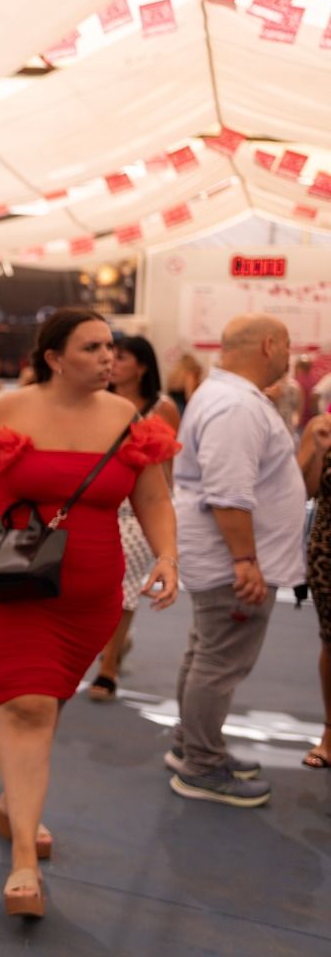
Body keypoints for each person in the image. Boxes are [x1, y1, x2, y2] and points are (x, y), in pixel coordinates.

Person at [0, 307, 179, 918]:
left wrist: (168, 554)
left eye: (110, 347)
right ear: (54, 357)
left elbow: (153, 495)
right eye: (92, 348)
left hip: (89, 594)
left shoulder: (128, 419)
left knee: (45, 703)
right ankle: (24, 858)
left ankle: (14, 803)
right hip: (10, 585)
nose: (109, 357)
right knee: (26, 704)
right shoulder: (11, 410)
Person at [168, 315, 306, 807]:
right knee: (219, 662)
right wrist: (245, 559)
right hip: (234, 561)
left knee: (207, 654)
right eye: (288, 345)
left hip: (225, 555)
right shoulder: (234, 405)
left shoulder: (228, 397)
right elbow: (228, 493)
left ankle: (194, 746)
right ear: (270, 344)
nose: (290, 356)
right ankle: (201, 766)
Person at [88, 334, 182, 701]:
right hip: (100, 501)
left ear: (142, 365)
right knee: (99, 583)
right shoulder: (98, 401)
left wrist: (163, 509)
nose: (111, 361)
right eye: (107, 352)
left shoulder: (162, 407)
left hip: (139, 507)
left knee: (124, 580)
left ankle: (108, 667)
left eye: (120, 356)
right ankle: (116, 643)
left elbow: (166, 467)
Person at [301, 406, 331, 770]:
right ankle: (329, 731)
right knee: (330, 641)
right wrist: (319, 450)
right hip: (328, 549)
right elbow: (304, 489)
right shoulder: (322, 425)